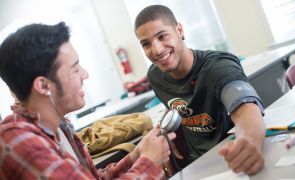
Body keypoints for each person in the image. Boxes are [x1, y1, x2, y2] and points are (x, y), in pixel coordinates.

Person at [0, 22, 176, 179]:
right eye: (75, 69)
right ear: (44, 86)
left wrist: (136, 155)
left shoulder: (60, 128)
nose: (85, 74)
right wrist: (150, 162)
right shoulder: (20, 142)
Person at [134, 5, 266, 175]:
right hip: (195, 166)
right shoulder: (155, 76)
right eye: (146, 44)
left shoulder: (217, 67)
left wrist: (250, 141)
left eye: (162, 36)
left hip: (232, 157)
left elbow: (244, 105)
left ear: (179, 30)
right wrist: (164, 130)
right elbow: (175, 102)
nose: (157, 50)